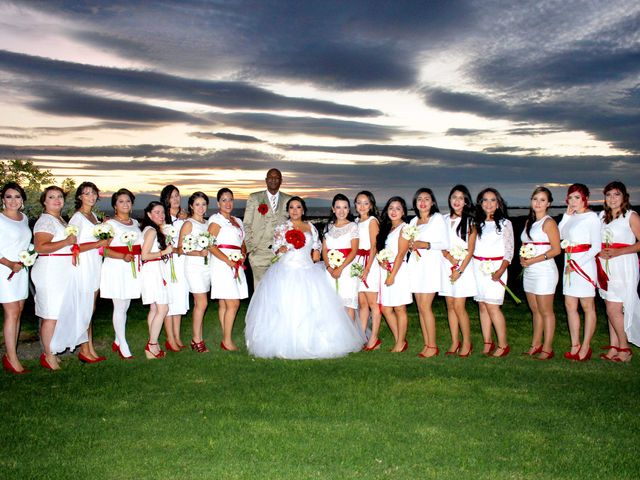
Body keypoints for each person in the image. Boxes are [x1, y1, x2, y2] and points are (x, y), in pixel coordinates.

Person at [245, 196, 364, 359]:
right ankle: (284, 343)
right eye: (292, 207)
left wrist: (315, 253)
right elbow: (276, 250)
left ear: (303, 210)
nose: (295, 211)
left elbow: (316, 247)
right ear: (288, 211)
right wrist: (285, 247)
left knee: (312, 307)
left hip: (308, 271)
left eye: (298, 207)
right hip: (286, 271)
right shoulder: (282, 227)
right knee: (286, 307)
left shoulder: (311, 227)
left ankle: (314, 341)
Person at [32, 186, 85, 370]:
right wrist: (66, 242)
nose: (57, 200)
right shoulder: (45, 221)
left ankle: (52, 350)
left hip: (62, 270)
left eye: (60, 196)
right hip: (50, 270)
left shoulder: (60, 220)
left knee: (58, 313)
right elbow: (40, 247)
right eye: (52, 197)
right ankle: (48, 355)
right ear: (44, 201)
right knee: (50, 314)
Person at [69, 182, 111, 364]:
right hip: (83, 264)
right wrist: (97, 244)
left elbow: (100, 240)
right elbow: (73, 246)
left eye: (93, 193)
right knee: (85, 307)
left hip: (95, 262)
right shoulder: (77, 218)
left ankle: (89, 347)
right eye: (87, 193)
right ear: (80, 196)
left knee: (91, 307)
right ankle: (84, 349)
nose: (91, 196)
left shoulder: (93, 216)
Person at [598, 181, 640, 362]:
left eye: (616, 194)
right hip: (605, 265)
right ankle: (614, 347)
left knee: (614, 308)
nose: (612, 199)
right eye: (608, 195)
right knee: (610, 307)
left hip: (623, 264)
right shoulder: (601, 217)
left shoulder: (631, 216)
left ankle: (625, 348)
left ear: (624, 197)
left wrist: (619, 252)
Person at [558, 183, 601, 361]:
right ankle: (574, 344)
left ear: (585, 199)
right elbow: (559, 235)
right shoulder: (570, 217)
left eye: (577, 197)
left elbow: (596, 247)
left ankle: (585, 345)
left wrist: (577, 264)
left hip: (584, 265)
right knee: (570, 306)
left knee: (587, 306)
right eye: (570, 197)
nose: (573, 201)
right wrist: (567, 216)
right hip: (568, 264)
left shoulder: (592, 217)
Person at [100, 188, 142, 360]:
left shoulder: (135, 223)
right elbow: (102, 249)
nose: (125, 204)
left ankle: (117, 340)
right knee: (119, 306)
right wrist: (122, 256)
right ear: (115, 205)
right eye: (121, 201)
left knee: (126, 306)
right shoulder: (110, 225)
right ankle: (123, 344)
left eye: (128, 201)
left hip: (132, 267)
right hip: (117, 267)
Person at [520, 187, 561, 360]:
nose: (538, 203)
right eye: (535, 199)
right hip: (529, 271)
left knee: (546, 311)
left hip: (545, 271)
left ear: (549, 203)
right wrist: (523, 258)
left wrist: (534, 260)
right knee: (535, 310)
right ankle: (535, 344)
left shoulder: (549, 222)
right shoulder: (529, 222)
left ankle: (547, 347)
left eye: (542, 200)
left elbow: (556, 249)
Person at [472, 188, 514, 357]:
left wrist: (501, 270)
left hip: (496, 268)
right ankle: (487, 342)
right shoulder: (476, 223)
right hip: (478, 267)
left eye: (492, 200)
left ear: (498, 204)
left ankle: (503, 345)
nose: (488, 204)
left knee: (493, 306)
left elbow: (509, 250)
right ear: (480, 203)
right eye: (485, 200)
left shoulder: (505, 223)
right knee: (482, 306)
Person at [407, 188, 448, 358]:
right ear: (415, 203)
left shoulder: (437, 219)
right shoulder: (413, 221)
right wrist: (411, 245)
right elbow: (409, 242)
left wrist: (426, 245)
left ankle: (433, 345)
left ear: (432, 202)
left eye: (426, 199)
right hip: (415, 265)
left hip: (430, 265)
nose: (422, 202)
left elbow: (445, 243)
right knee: (420, 307)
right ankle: (426, 344)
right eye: (419, 199)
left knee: (426, 306)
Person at [208, 188, 248, 351]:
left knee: (225, 304)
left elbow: (242, 242)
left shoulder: (237, 221)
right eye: (224, 200)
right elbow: (210, 244)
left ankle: (225, 337)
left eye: (230, 199)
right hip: (222, 264)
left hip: (236, 262)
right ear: (218, 203)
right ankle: (227, 341)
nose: (228, 203)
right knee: (233, 303)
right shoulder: (216, 220)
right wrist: (227, 261)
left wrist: (243, 254)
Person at [439, 185, 477, 358]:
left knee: (460, 307)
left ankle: (467, 343)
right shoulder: (443, 220)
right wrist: (448, 256)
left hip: (463, 268)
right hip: (446, 265)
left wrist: (459, 270)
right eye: (454, 197)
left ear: (466, 201)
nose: (457, 201)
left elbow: (470, 250)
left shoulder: (471, 222)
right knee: (450, 306)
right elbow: (439, 243)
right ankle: (455, 341)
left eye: (461, 198)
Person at [0, 182, 31, 374]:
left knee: (18, 310)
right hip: (4, 270)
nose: (13, 200)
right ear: (3, 199)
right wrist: (10, 264)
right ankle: (12, 358)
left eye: (17, 197)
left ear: (22, 201)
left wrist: (27, 258)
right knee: (11, 312)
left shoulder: (24, 218)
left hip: (20, 270)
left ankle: (11, 354)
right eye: (9, 196)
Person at [244, 168, 291, 286]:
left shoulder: (288, 200)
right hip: (259, 252)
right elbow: (247, 223)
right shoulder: (254, 198)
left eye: (277, 178)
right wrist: (250, 247)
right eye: (271, 177)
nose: (273, 180)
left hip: (281, 253)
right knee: (260, 290)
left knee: (279, 288)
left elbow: (292, 225)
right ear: (266, 180)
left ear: (281, 181)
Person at [376, 196, 412, 352]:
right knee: (385, 309)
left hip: (398, 271)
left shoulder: (404, 228)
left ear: (403, 211)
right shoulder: (387, 228)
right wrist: (381, 261)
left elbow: (401, 253)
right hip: (386, 270)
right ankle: (400, 340)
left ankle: (400, 342)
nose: (394, 211)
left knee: (399, 308)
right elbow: (382, 250)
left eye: (398, 208)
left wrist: (392, 275)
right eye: (391, 208)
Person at [140, 201, 174, 359]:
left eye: (162, 212)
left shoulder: (152, 229)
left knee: (154, 309)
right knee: (163, 308)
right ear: (149, 214)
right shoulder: (151, 231)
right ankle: (152, 344)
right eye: (157, 212)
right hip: (153, 271)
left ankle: (153, 345)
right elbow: (144, 255)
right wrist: (164, 252)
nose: (161, 215)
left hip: (153, 270)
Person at [178, 191, 211, 353]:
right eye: (197, 204)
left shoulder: (207, 224)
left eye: (203, 204)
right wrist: (198, 253)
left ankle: (197, 337)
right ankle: (196, 339)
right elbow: (180, 248)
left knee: (202, 303)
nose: (201, 207)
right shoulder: (188, 224)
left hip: (207, 266)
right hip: (193, 266)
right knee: (202, 303)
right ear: (191, 206)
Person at [160, 185, 189, 351]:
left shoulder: (183, 218)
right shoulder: (163, 219)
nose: (176, 199)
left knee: (179, 298)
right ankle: (170, 338)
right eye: (172, 197)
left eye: (178, 195)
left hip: (182, 262)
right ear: (166, 199)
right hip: (168, 262)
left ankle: (177, 336)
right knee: (169, 299)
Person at [322, 194, 359, 320]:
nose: (341, 211)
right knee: (332, 304)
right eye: (338, 207)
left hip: (347, 269)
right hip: (330, 270)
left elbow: (354, 250)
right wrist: (329, 268)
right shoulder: (328, 227)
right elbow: (324, 250)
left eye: (345, 207)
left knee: (348, 304)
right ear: (333, 209)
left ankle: (350, 337)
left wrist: (340, 268)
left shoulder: (353, 226)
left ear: (349, 209)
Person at [354, 191, 382, 350]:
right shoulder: (356, 222)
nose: (362, 206)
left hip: (369, 263)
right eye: (359, 202)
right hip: (358, 263)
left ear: (371, 205)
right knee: (362, 303)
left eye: (366, 203)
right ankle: (361, 336)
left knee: (373, 304)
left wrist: (367, 269)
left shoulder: (372, 221)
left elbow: (374, 246)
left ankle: (374, 338)